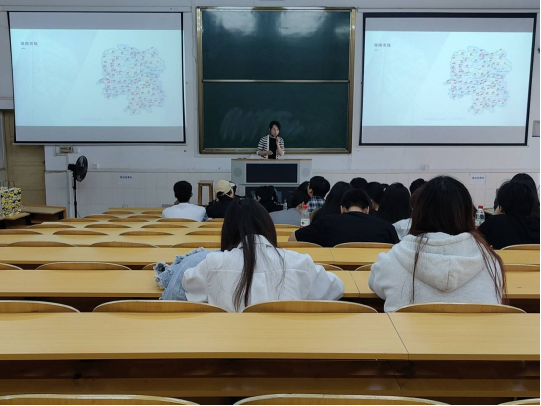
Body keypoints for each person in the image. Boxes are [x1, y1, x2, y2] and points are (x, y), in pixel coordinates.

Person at [369, 176, 506, 313]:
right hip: (474, 328)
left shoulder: (393, 258)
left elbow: (374, 283)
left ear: (418, 212)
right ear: (467, 214)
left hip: (405, 328)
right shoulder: (491, 262)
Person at [183, 199, 344, 312]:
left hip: (228, 349)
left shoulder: (212, 263)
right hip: (288, 348)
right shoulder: (300, 262)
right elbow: (337, 288)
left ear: (228, 231)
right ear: (267, 225)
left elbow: (188, 287)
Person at [290, 189, 400, 247]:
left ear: (342, 208)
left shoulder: (326, 222)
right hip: (372, 278)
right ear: (367, 209)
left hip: (335, 277)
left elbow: (292, 239)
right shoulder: (387, 228)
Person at [479, 182, 540, 250]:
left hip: (503, 257)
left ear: (501, 203)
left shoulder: (495, 223)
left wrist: (497, 212)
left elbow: (475, 241)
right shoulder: (537, 223)